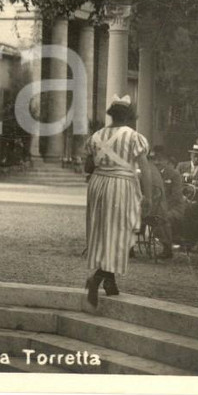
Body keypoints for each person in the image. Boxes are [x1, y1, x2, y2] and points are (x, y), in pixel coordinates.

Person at [83, 95, 149, 306]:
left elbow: (87, 167)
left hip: (98, 184)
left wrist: (104, 163)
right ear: (129, 116)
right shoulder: (134, 137)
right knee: (120, 233)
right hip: (121, 185)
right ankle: (97, 278)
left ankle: (110, 283)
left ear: (111, 115)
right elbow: (145, 168)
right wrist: (147, 194)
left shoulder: (96, 136)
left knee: (104, 233)